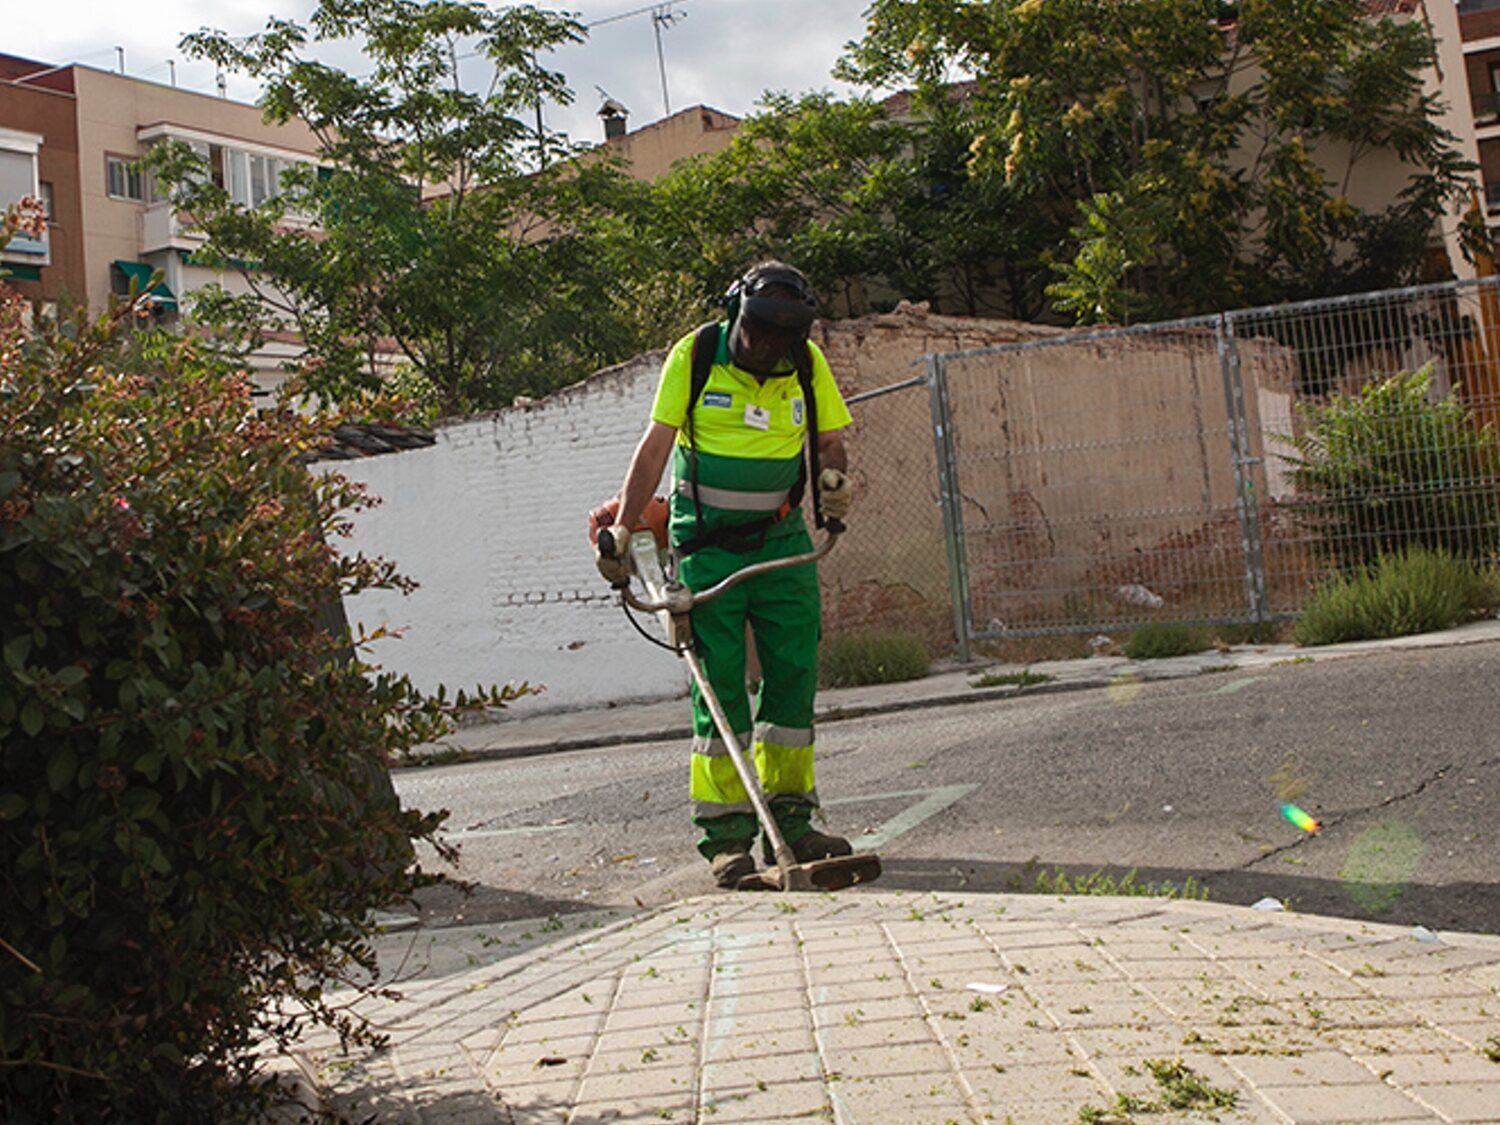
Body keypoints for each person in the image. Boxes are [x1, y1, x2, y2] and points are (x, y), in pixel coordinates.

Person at [590, 261, 855, 888]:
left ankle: (792, 824)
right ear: (738, 313)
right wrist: (625, 529)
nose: (767, 347)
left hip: (784, 543)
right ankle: (727, 838)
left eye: (781, 337)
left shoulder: (806, 364)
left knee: (792, 685)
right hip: (708, 549)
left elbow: (830, 441)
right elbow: (655, 448)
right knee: (721, 693)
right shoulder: (698, 355)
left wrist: (834, 481)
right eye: (759, 332)